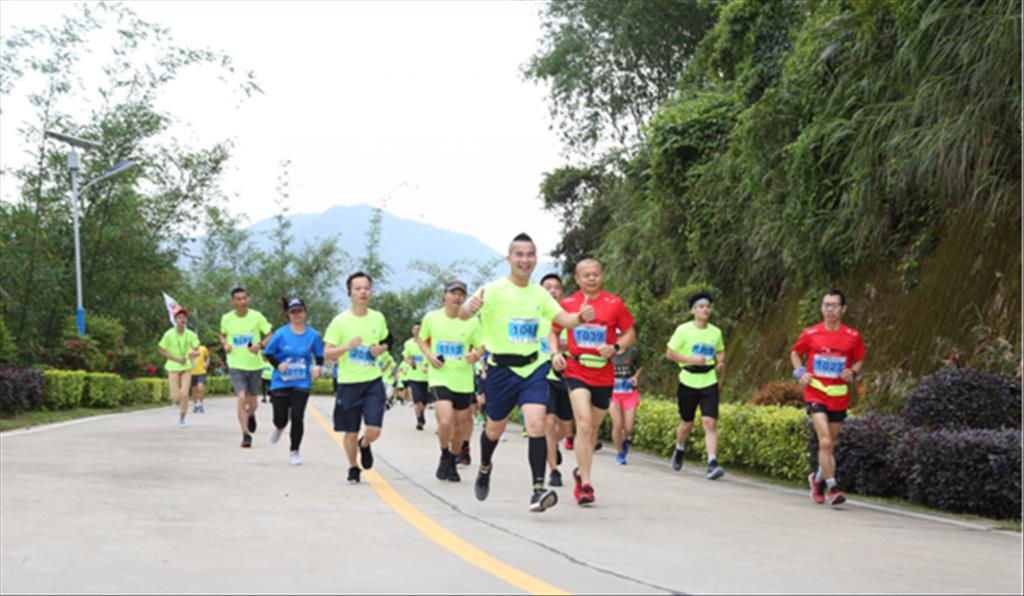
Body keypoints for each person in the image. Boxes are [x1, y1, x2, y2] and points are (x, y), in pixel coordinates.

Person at [461, 233, 595, 513]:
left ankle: (538, 490)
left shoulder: (539, 294)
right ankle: (485, 466)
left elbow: (563, 320)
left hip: (533, 368)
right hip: (501, 370)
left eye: (530, 254)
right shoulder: (493, 290)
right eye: (519, 254)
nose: (525, 260)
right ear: (509, 258)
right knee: (494, 428)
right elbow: (462, 315)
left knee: (536, 425)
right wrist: (469, 308)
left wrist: (580, 317)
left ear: (535, 259)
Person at [551, 258, 636, 506]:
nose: (591, 278)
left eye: (595, 274)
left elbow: (630, 332)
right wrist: (556, 353)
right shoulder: (567, 304)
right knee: (584, 424)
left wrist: (615, 346)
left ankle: (580, 471)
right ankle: (586, 484)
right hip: (576, 369)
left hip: (604, 374)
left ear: (602, 276)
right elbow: (553, 331)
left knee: (593, 429)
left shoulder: (614, 304)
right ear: (577, 279)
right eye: (586, 275)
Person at [791, 289, 866, 507]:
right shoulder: (811, 333)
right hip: (816, 392)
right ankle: (833, 488)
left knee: (830, 445)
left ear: (843, 309)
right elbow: (795, 353)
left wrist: (852, 372)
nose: (829, 310)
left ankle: (817, 480)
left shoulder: (852, 336)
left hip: (839, 395)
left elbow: (859, 359)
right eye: (826, 305)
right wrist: (800, 372)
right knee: (824, 441)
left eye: (834, 305)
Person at [323, 272, 390, 485]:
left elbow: (387, 341)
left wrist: (380, 349)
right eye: (358, 288)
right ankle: (353, 467)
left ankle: (366, 443)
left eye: (366, 288)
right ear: (349, 293)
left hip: (372, 381)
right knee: (350, 431)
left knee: (374, 429)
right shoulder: (339, 321)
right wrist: (347, 347)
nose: (363, 292)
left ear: (371, 292)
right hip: (348, 383)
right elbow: (327, 353)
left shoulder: (378, 318)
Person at [417, 280, 484, 482]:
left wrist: (476, 355)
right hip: (440, 377)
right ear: (444, 295)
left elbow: (482, 345)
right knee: (445, 420)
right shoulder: (432, 317)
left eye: (461, 294)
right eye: (453, 293)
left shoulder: (472, 321)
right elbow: (422, 339)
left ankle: (452, 459)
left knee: (459, 426)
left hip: (463, 379)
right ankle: (445, 453)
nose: (457, 297)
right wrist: (429, 355)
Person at [666, 291, 726, 480]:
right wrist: (691, 359)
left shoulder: (715, 332)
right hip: (688, 379)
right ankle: (679, 448)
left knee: (709, 422)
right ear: (693, 311)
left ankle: (712, 463)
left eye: (707, 306)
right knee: (686, 423)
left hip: (709, 380)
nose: (705, 309)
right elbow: (670, 354)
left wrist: (720, 362)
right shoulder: (683, 330)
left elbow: (721, 351)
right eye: (701, 307)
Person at [264, 297, 324, 466]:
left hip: (302, 382)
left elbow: (319, 356)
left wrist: (318, 368)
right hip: (281, 381)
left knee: (297, 416)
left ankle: (294, 450)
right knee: (280, 418)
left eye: (300, 311)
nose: (297, 315)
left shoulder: (313, 335)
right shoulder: (281, 334)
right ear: (288, 315)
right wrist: (278, 365)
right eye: (293, 312)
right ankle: (279, 427)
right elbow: (269, 353)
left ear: (305, 312)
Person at [220, 287, 273, 448]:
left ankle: (250, 415)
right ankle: (245, 434)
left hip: (254, 365)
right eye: (238, 299)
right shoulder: (227, 318)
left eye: (244, 298)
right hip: (236, 364)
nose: (242, 302)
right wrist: (225, 344)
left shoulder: (257, 317)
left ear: (247, 299)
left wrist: (261, 345)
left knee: (253, 402)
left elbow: (271, 333)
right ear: (233, 301)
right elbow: (222, 334)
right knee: (241, 397)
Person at [539, 273, 572, 487]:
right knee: (549, 422)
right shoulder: (534, 317)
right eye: (547, 287)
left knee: (567, 427)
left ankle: (550, 446)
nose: (552, 291)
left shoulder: (570, 318)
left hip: (567, 376)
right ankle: (554, 470)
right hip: (542, 377)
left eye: (556, 287)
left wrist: (562, 347)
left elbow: (577, 344)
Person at [158, 307, 201, 428]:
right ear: (175, 320)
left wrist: (194, 353)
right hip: (173, 367)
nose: (182, 320)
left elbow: (197, 349)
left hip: (186, 367)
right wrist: (176, 359)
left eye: (184, 317)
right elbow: (161, 350)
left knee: (185, 394)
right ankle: (176, 400)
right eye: (179, 317)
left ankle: (182, 418)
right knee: (176, 396)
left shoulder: (190, 334)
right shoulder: (169, 334)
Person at [611, 344, 643, 465]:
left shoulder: (632, 351)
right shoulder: (608, 351)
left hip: (629, 392)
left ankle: (624, 440)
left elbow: (640, 366)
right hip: (612, 393)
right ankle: (620, 453)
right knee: (618, 424)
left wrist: (635, 377)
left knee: (628, 428)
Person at [403, 326, 432, 430]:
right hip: (414, 376)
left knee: (424, 402)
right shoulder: (408, 343)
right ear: (412, 330)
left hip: (427, 377)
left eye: (419, 329)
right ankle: (419, 420)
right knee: (417, 400)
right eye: (415, 329)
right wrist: (409, 361)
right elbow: (406, 357)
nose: (417, 331)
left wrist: (428, 366)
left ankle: (422, 413)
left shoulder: (429, 342)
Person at [190, 343, 210, 414]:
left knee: (200, 387)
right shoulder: (188, 349)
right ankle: (195, 405)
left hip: (202, 371)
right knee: (194, 390)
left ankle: (201, 405)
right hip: (191, 372)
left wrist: (206, 364)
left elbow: (207, 357)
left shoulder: (203, 348)